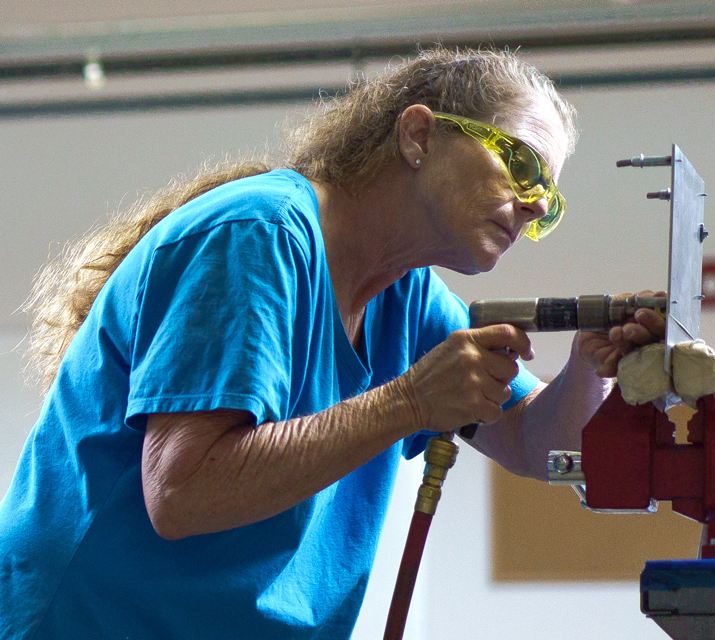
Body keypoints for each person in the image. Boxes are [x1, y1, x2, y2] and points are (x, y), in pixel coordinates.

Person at [0, 48, 664, 639]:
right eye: (519, 164)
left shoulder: (407, 296)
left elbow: (535, 444)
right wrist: (405, 403)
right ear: (419, 135)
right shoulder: (256, 238)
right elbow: (182, 494)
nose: (530, 205)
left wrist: (589, 367)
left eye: (546, 199)